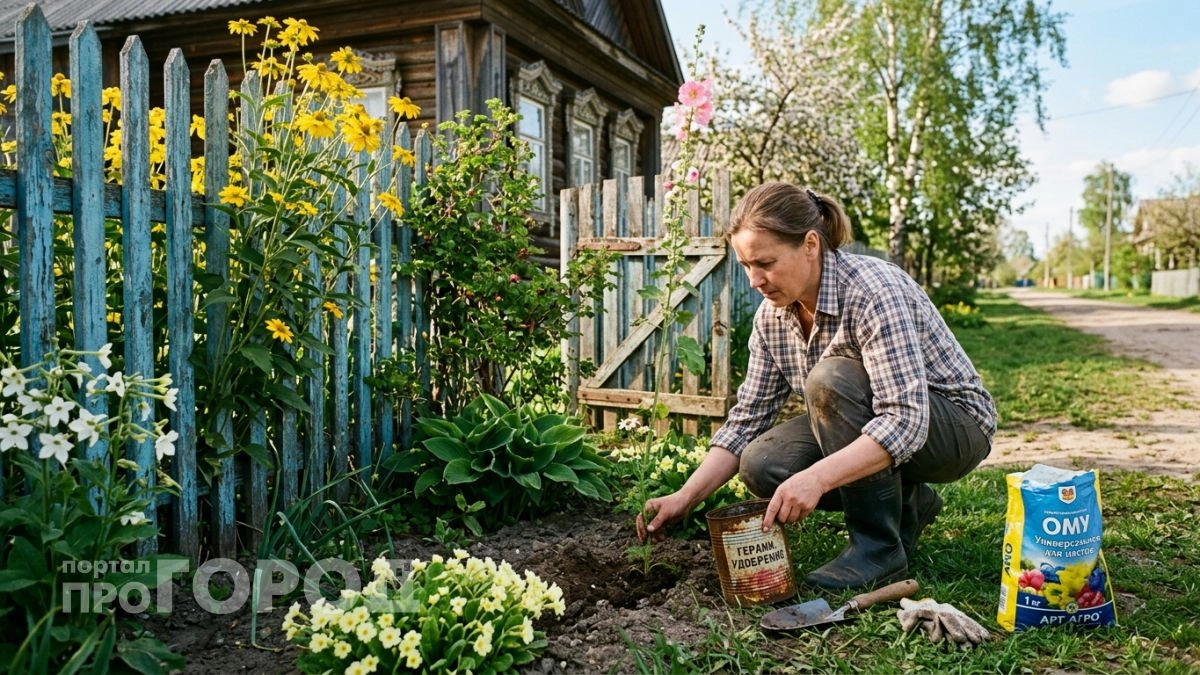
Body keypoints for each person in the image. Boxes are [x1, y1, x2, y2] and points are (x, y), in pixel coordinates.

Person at [636, 182, 996, 590]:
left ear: (810, 244)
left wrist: (819, 478)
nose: (755, 279)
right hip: (891, 426)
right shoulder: (772, 318)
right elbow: (746, 422)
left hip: (953, 428)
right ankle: (908, 502)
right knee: (763, 462)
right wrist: (686, 496)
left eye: (765, 262)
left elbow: (905, 420)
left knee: (831, 379)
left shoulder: (872, 291)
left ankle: (878, 551)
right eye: (745, 265)